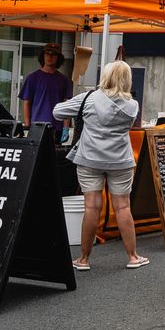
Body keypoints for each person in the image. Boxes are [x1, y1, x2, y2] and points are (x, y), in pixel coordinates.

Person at [52, 61, 145, 271]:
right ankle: (133, 256)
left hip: (89, 158)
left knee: (91, 207)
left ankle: (83, 259)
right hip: (120, 160)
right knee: (123, 207)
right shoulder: (132, 105)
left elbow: (57, 112)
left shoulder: (89, 98)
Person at [20, 42, 72, 140]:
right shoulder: (32, 78)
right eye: (47, 53)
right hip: (36, 127)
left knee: (54, 155)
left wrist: (66, 127)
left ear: (58, 58)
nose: (50, 56)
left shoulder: (64, 80)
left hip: (57, 127)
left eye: (54, 54)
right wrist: (28, 125)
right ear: (43, 56)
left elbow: (67, 106)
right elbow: (26, 102)